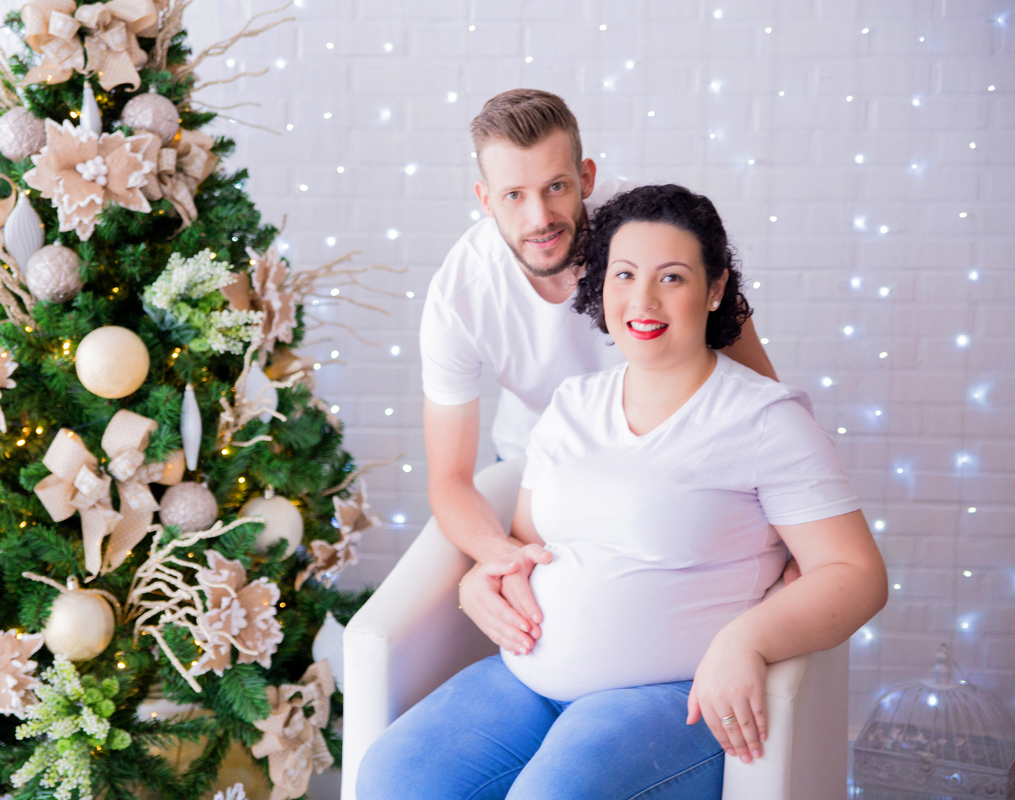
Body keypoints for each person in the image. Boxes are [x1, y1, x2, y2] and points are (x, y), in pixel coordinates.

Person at [358, 184, 889, 798]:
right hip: (528, 683)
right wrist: (489, 574)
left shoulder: (765, 420)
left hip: (666, 697)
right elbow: (530, 543)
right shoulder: (573, 404)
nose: (643, 299)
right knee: (392, 776)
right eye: (625, 273)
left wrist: (746, 639)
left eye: (672, 278)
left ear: (715, 289)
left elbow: (855, 573)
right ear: (601, 285)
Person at [421, 89, 781, 658]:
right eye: (514, 195)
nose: (539, 218)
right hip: (538, 471)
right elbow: (449, 479)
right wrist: (501, 555)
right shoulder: (459, 295)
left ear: (587, 177)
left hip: (672, 460)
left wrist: (794, 550)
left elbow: (763, 393)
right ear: (485, 199)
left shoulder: (652, 235)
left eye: (556, 187)